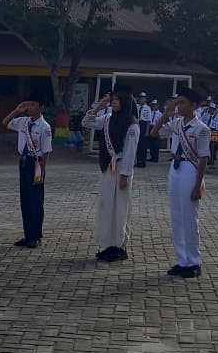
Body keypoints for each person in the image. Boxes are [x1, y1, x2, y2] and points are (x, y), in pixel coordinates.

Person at [150, 87, 210, 279]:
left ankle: (193, 262)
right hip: (175, 170)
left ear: (193, 105)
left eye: (182, 102)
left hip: (190, 171)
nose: (180, 106)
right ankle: (182, 260)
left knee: (189, 218)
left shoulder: (201, 128)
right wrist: (166, 114)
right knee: (177, 217)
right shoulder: (177, 124)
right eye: (179, 102)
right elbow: (154, 133)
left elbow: (203, 159)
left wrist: (197, 186)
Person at [82, 91, 140, 261]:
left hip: (122, 167)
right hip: (108, 167)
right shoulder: (107, 118)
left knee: (121, 207)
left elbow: (130, 152)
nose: (114, 103)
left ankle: (120, 246)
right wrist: (100, 105)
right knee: (107, 206)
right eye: (113, 100)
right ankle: (108, 244)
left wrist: (125, 175)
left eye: (117, 99)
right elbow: (86, 122)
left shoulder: (132, 124)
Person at [3, 92, 52, 249]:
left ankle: (36, 236)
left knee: (36, 201)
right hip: (24, 162)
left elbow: (46, 152)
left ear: (41, 107)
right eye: (28, 104)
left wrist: (41, 172)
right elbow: (5, 122)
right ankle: (27, 234)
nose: (30, 107)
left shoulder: (45, 127)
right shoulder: (23, 122)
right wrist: (17, 110)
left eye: (33, 104)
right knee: (25, 200)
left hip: (36, 164)